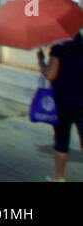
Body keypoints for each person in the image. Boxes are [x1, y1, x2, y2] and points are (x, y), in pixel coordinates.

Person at [39, 30, 83, 182]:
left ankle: (59, 176)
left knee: (61, 140)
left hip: (63, 101)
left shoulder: (58, 49)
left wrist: (41, 63)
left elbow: (51, 75)